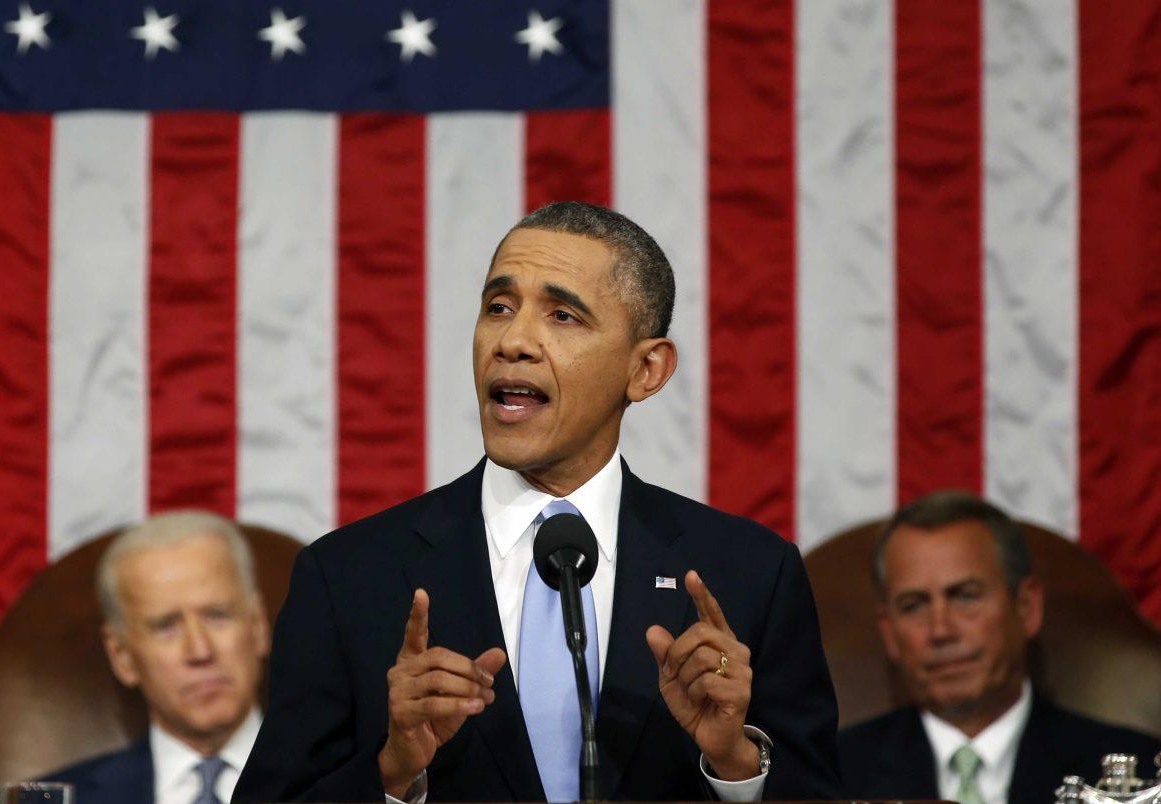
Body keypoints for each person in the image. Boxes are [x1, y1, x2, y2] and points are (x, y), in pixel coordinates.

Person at [234, 202, 840, 802]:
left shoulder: (752, 573)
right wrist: (393, 773)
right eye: (498, 307)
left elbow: (817, 792)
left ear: (647, 369)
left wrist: (735, 764)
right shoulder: (347, 576)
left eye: (563, 315)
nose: (513, 340)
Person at [838, 491, 1161, 804]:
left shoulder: (1139, 775)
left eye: (966, 595)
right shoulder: (830, 776)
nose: (940, 630)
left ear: (1026, 607)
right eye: (913, 605)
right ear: (889, 633)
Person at [47, 511, 271, 804]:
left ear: (257, 627)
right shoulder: (62, 799)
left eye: (217, 616)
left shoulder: (342, 785)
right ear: (122, 656)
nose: (200, 651)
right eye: (166, 627)